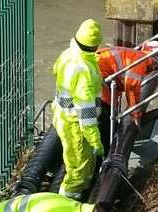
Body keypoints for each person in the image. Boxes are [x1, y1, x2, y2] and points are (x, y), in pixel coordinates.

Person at [53, 18, 104, 201]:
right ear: (95, 45)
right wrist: (96, 141)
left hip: (61, 113)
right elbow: (86, 114)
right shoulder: (85, 71)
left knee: (77, 162)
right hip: (75, 124)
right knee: (79, 171)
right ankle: (66, 203)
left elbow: (55, 73)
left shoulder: (68, 54)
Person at [96, 40, 158, 146]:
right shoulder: (141, 62)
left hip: (103, 70)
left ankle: (107, 138)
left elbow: (120, 80)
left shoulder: (136, 55)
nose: (155, 67)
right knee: (105, 111)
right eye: (157, 63)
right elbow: (131, 89)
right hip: (99, 72)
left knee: (108, 108)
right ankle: (106, 145)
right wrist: (135, 114)